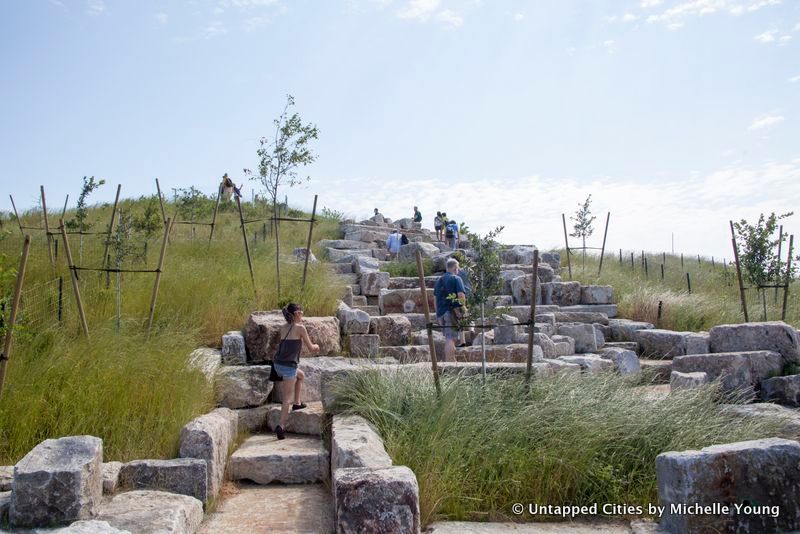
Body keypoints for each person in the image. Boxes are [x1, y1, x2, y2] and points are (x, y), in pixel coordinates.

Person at [272, 303, 320, 440]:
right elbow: (311, 348)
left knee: (301, 375)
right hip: (288, 367)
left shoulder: (283, 328)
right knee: (286, 398)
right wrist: (317, 346)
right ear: (296, 314)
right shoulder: (300, 329)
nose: (302, 315)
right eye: (301, 313)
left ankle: (297, 403)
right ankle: (281, 426)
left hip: (277, 365)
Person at [433, 258, 467, 363]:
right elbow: (461, 296)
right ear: (455, 268)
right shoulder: (456, 279)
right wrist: (463, 310)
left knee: (449, 337)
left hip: (441, 312)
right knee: (450, 338)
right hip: (451, 312)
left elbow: (435, 299)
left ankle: (452, 359)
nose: (458, 270)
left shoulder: (439, 280)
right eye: (458, 268)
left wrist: (437, 314)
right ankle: (450, 362)